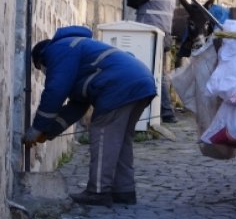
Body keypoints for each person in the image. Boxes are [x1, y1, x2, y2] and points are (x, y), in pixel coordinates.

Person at [23, 25, 157, 206]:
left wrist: (37, 127)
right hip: (141, 81)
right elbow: (77, 107)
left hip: (118, 86)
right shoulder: (79, 48)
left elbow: (55, 90)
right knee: (120, 140)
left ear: (41, 59)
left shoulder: (58, 49)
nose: (45, 73)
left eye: (41, 69)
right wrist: (48, 131)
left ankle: (98, 191)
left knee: (103, 136)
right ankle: (124, 190)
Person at [127, 0, 179, 123]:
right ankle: (165, 111)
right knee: (160, 72)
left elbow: (139, 0)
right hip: (164, 30)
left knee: (151, 72)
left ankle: (158, 112)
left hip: (151, 30)